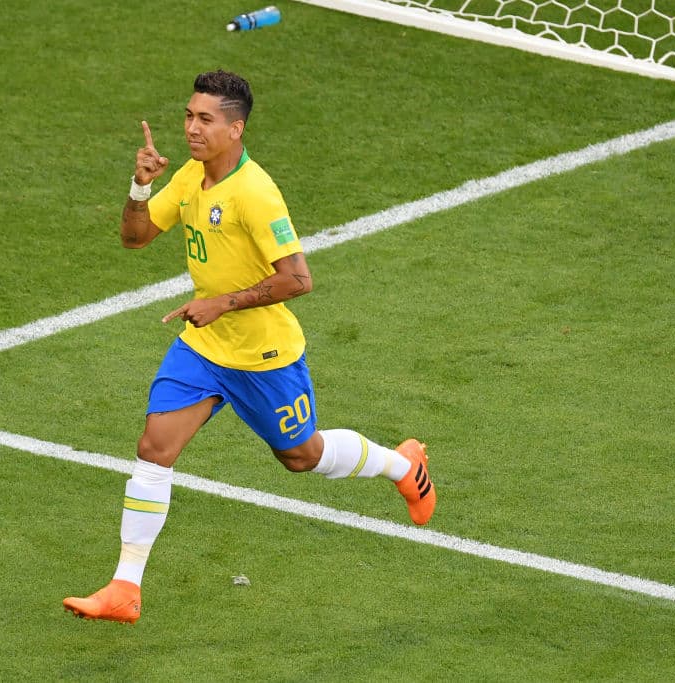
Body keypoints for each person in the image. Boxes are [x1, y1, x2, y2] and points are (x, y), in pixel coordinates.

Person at [63, 70, 435, 624]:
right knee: (154, 449)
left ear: (235, 129)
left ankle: (400, 465)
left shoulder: (256, 193)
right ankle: (125, 588)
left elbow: (299, 280)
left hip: (264, 355)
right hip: (203, 346)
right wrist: (140, 185)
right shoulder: (191, 176)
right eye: (189, 116)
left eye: (205, 119)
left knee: (300, 456)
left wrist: (223, 302)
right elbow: (135, 237)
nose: (191, 128)